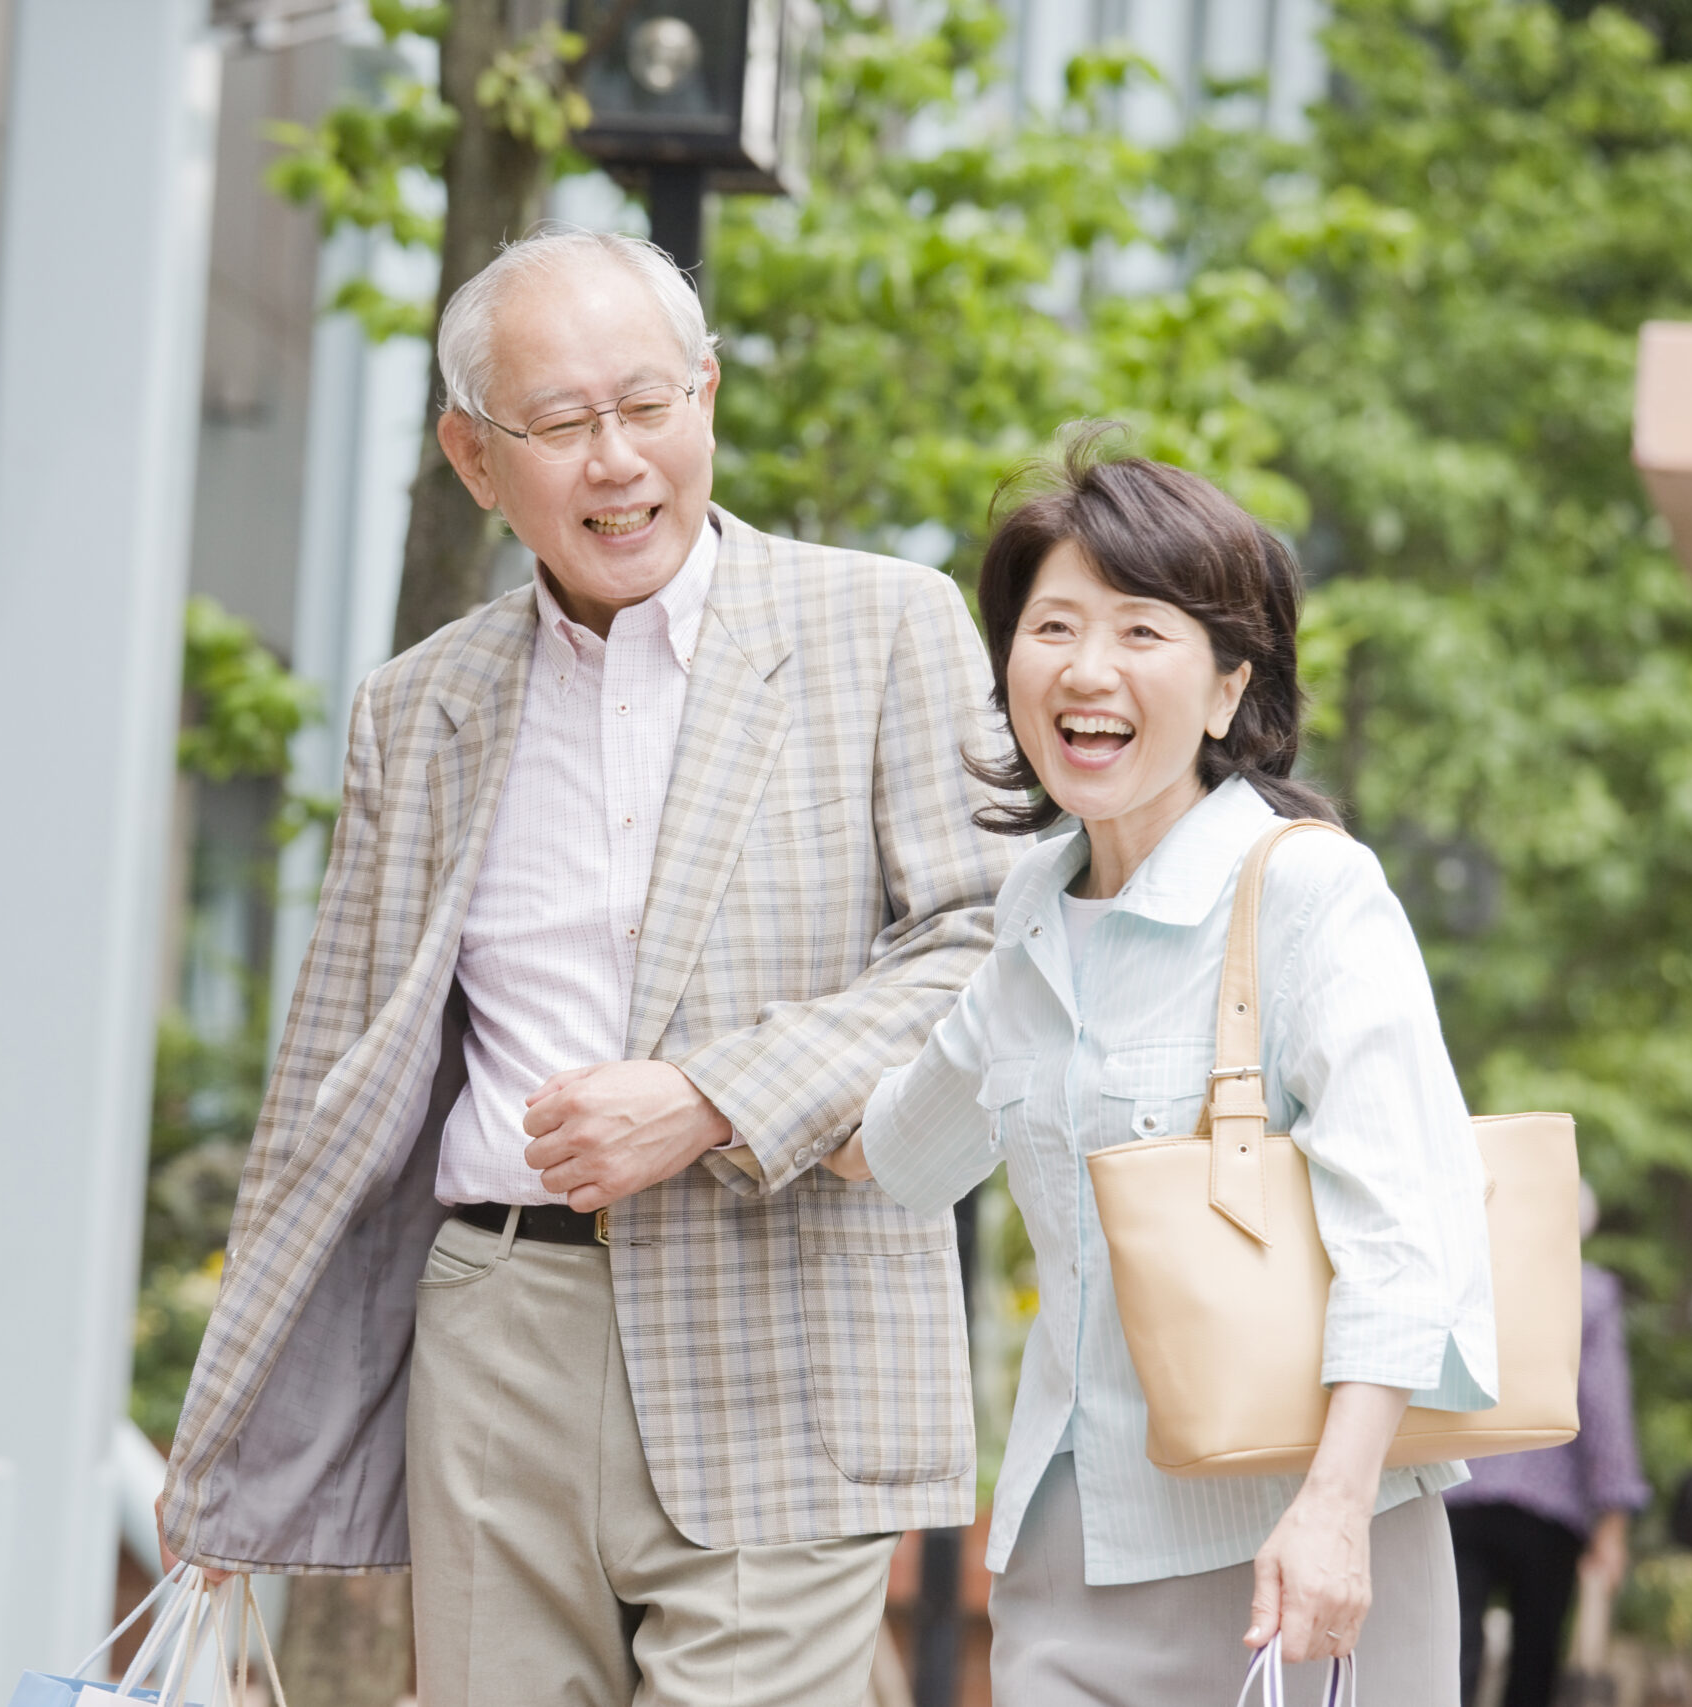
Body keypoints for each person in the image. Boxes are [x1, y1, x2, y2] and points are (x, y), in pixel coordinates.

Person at [154, 225, 1012, 1706]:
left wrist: (708, 1095)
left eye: (647, 405)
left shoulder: (886, 625)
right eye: (559, 424)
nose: (616, 459)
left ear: (709, 397)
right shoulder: (413, 708)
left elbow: (988, 946)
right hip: (496, 1320)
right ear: (476, 460)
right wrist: (233, 1446)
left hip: (785, 1305)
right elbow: (327, 1085)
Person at [827, 428, 1498, 1704]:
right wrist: (704, 1093)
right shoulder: (1027, 918)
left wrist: (1335, 1511)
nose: (1088, 669)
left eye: (1141, 631)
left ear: (1228, 688)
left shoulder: (1308, 893)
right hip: (1068, 1562)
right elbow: (890, 1155)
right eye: (1053, 627)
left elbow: (1411, 1234)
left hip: (1293, 1546)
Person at [1444, 1183, 1650, 1707]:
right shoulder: (1589, 1293)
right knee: (1534, 1663)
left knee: (1454, 1652)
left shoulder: (1471, 1279)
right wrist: (1614, 1518)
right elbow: (1603, 1406)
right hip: (1550, 1510)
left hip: (1461, 1488)